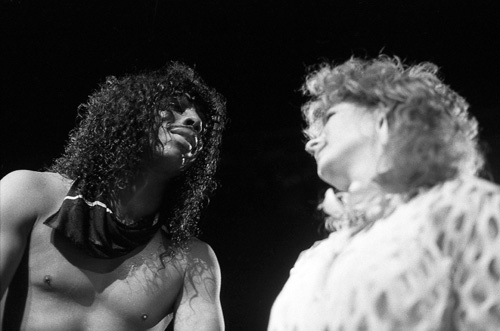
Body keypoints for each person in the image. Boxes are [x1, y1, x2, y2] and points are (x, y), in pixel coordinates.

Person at [268, 55, 500, 330]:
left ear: (384, 115)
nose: (312, 143)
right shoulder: (312, 259)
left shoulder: (465, 205)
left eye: (330, 116)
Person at [0, 62, 227, 331]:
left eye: (201, 125)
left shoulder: (193, 261)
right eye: (175, 106)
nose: (194, 121)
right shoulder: (28, 193)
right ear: (132, 115)